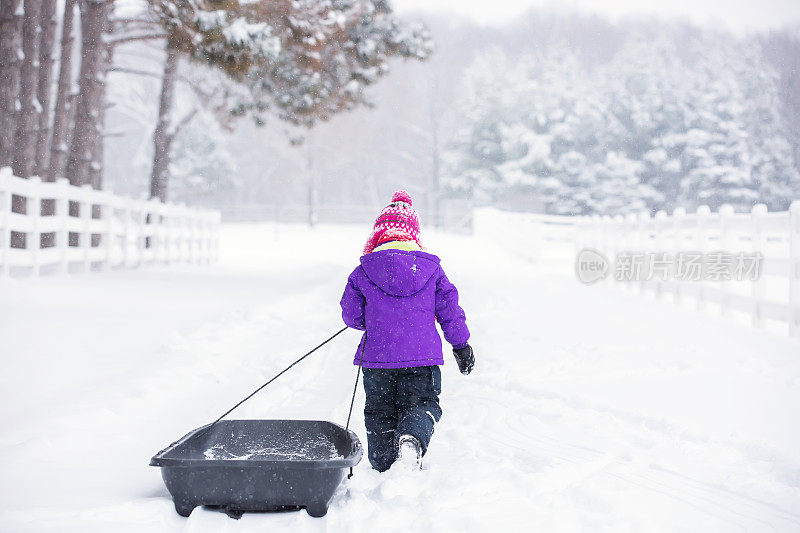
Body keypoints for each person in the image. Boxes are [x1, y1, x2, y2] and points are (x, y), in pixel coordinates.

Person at [340, 190, 475, 472]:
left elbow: (351, 316)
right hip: (421, 359)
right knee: (422, 403)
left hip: (377, 360)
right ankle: (412, 440)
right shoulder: (431, 269)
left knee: (379, 411)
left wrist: (375, 320)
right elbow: (450, 310)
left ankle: (382, 464)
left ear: (378, 235)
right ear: (414, 234)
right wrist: (461, 346)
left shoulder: (363, 270)